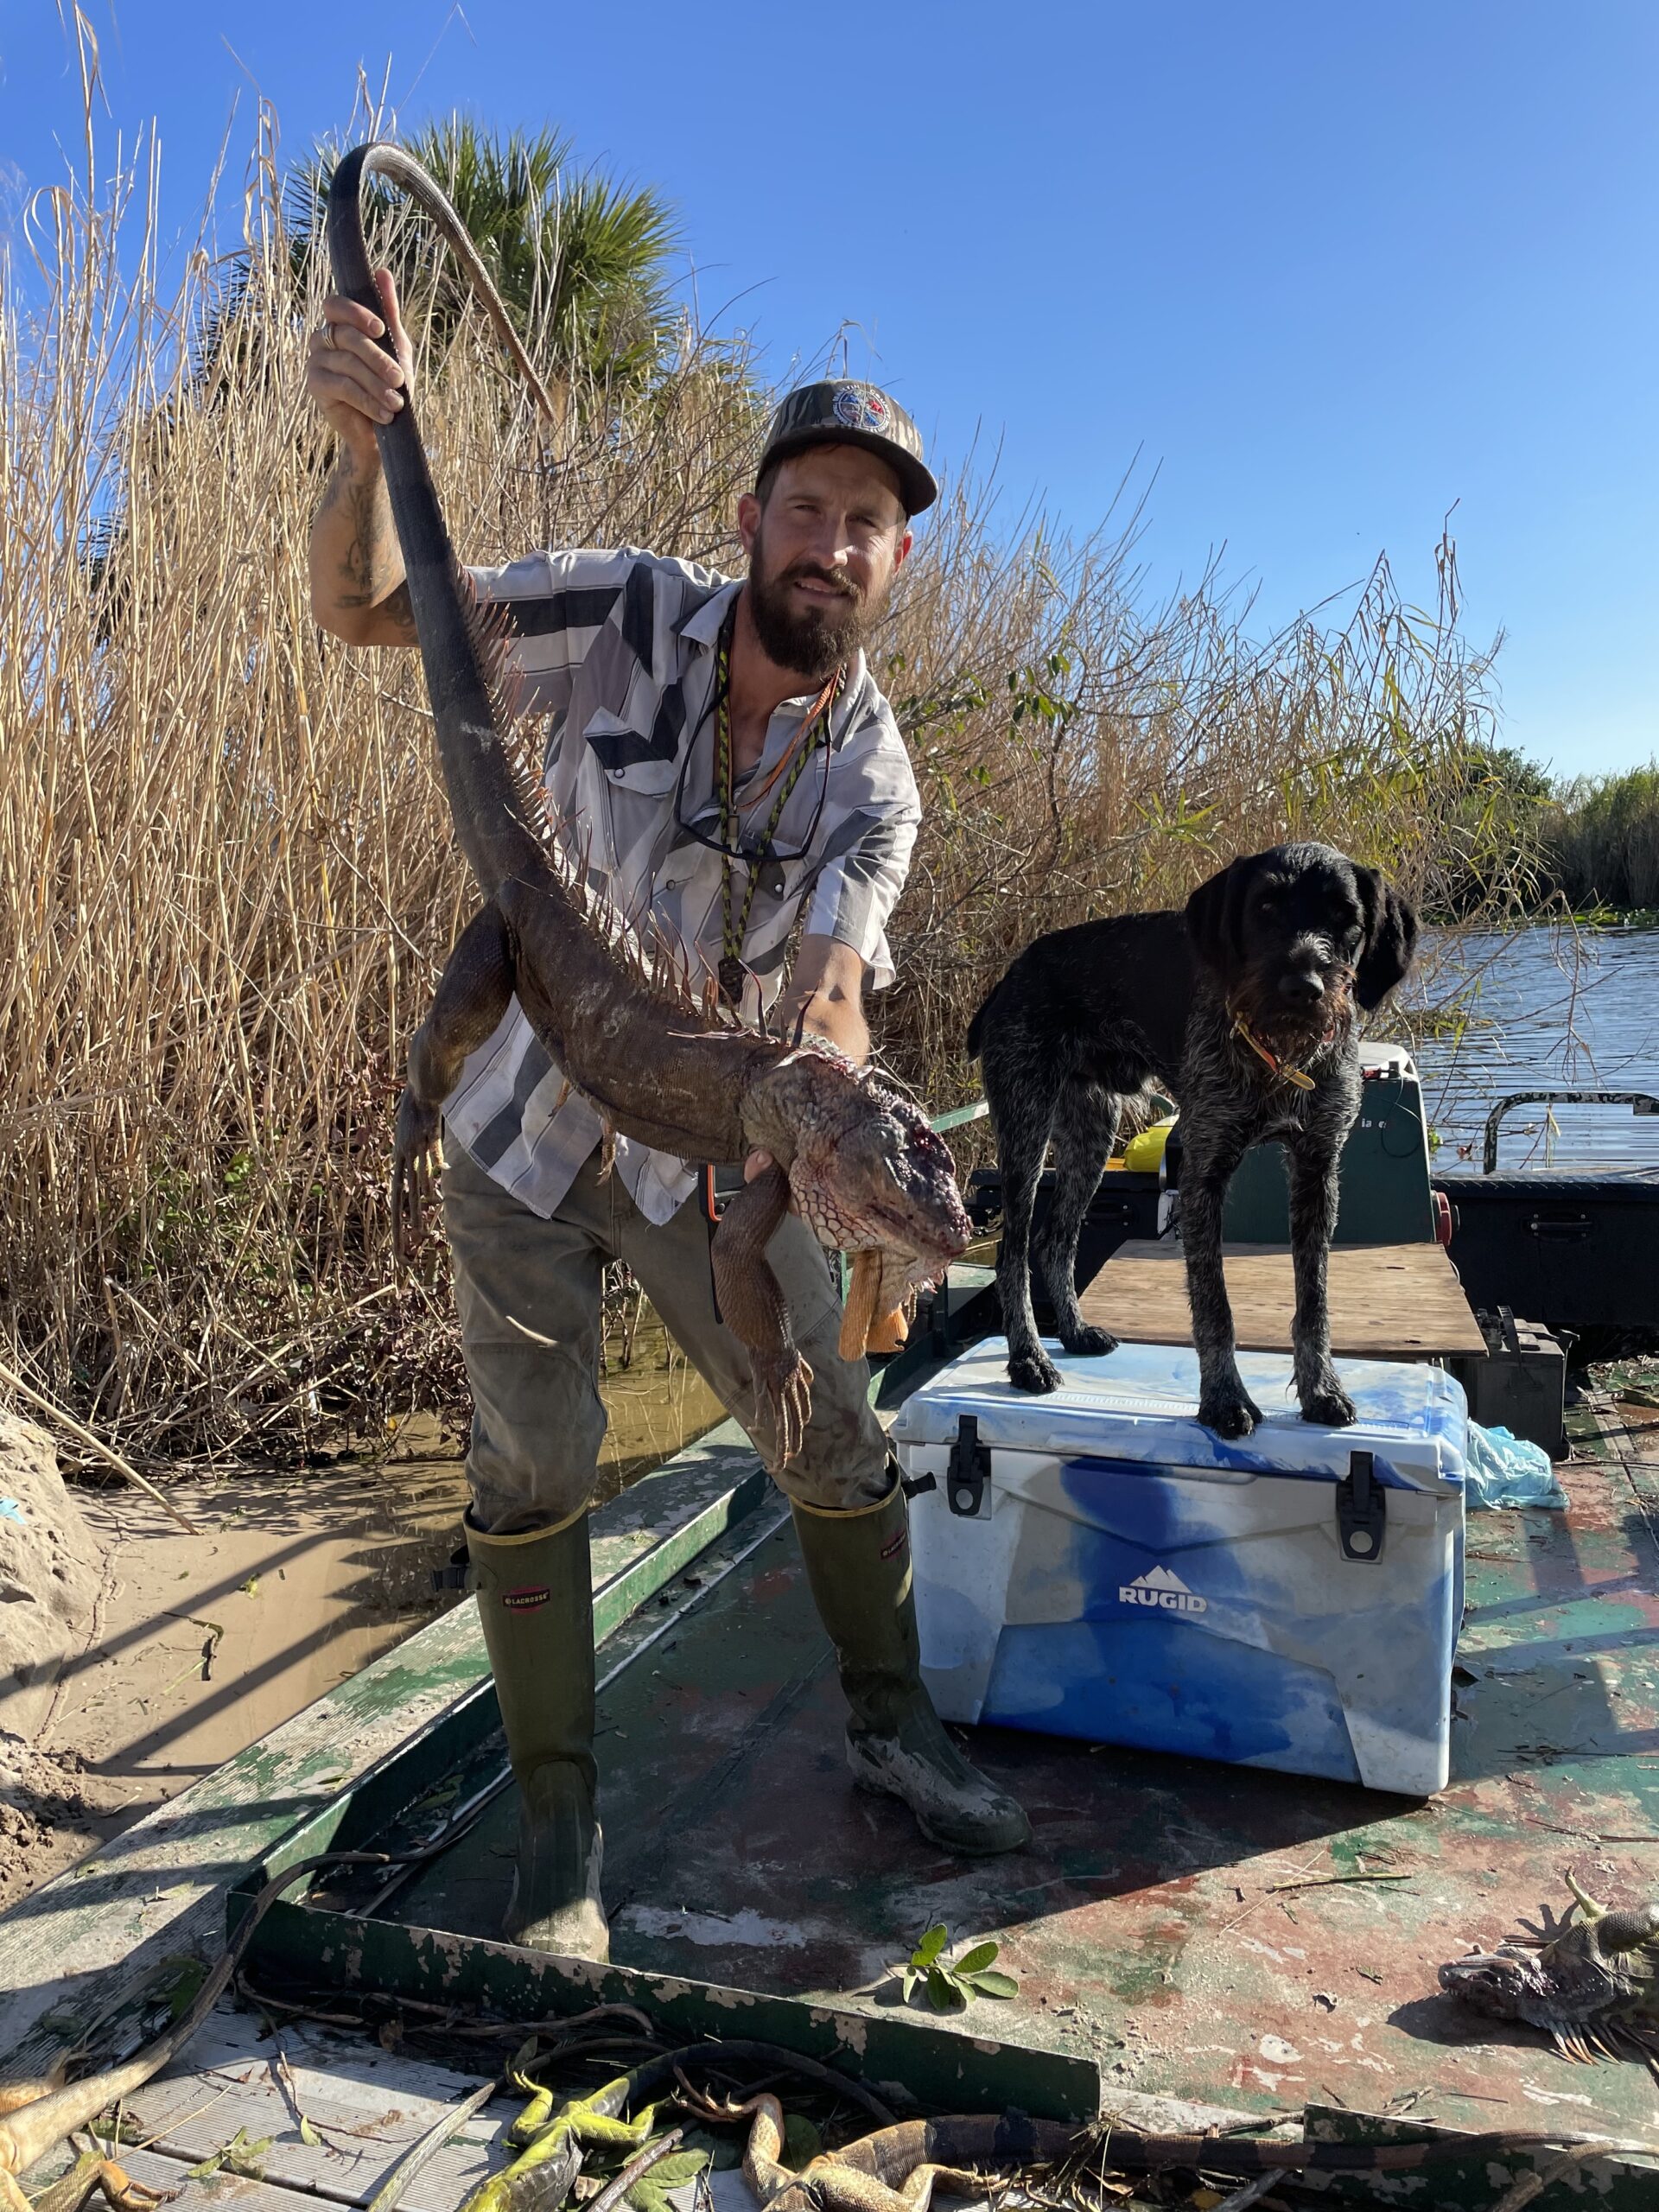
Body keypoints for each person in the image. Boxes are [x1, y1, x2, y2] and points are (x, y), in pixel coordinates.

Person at [304, 274, 1030, 1960]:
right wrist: (364, 450)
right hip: (521, 1122)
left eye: (867, 522)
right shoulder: (624, 611)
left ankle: (887, 1717)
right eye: (807, 507)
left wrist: (821, 1128)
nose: (832, 543)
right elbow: (371, 611)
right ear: (752, 518)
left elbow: (839, 989)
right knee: (537, 1454)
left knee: (832, 1425)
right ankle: (559, 1814)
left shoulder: (877, 775)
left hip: (725, 1138)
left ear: (895, 559)